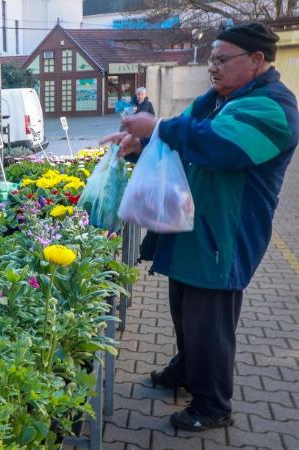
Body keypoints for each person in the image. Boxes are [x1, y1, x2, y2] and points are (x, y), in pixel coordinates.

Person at [101, 22, 298, 432]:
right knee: (185, 311)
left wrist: (157, 129)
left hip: (224, 234)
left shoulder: (274, 107)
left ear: (257, 60)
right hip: (193, 227)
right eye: (211, 59)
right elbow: (180, 140)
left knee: (210, 322)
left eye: (221, 60)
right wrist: (140, 146)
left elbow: (217, 146)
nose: (213, 67)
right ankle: (187, 369)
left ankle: (213, 404)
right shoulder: (216, 100)